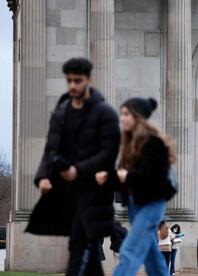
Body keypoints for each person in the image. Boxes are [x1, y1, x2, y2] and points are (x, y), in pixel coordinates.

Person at [25, 58, 120, 276]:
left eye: (78, 80)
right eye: (69, 81)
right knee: (86, 252)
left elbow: (108, 154)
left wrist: (78, 169)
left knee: (79, 246)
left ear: (89, 80)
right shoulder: (62, 112)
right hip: (67, 192)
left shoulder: (105, 114)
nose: (73, 86)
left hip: (94, 192)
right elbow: (51, 149)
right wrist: (43, 177)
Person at [96, 97, 176, 276]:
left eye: (126, 114)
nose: (122, 118)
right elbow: (123, 179)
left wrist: (126, 176)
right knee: (152, 256)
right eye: (121, 114)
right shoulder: (128, 145)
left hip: (151, 204)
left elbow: (155, 178)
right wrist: (108, 177)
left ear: (137, 117)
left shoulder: (155, 144)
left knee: (130, 251)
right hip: (135, 205)